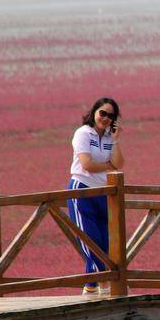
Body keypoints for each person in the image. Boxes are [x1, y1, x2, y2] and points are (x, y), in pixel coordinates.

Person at [67, 97, 125, 296]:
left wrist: (116, 139)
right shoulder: (83, 133)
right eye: (103, 113)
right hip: (81, 191)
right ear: (94, 112)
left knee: (104, 242)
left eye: (111, 115)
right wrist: (108, 167)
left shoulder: (110, 138)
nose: (106, 118)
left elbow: (119, 163)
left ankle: (90, 287)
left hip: (104, 194)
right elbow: (87, 165)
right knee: (89, 240)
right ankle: (107, 283)